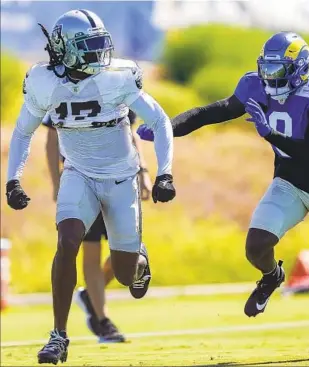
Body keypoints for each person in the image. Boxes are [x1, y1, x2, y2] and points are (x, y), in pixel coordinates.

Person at [137, 31, 309, 358]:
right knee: (256, 244)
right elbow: (214, 111)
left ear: (300, 69)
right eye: (268, 69)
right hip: (290, 182)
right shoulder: (255, 86)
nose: (271, 78)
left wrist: (270, 133)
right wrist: (165, 126)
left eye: (280, 70)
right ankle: (271, 276)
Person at [6, 9, 176, 365]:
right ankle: (58, 336)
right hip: (78, 174)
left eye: (101, 45)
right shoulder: (43, 81)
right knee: (67, 242)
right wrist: (13, 179)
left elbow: (158, 120)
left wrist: (164, 172)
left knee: (127, 275)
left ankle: (138, 261)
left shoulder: (118, 77)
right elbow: (24, 131)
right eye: (89, 47)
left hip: (121, 178)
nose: (100, 54)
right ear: (65, 50)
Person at [44, 109, 152, 343]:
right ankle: (103, 321)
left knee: (125, 254)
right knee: (90, 252)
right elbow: (52, 139)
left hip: (119, 181)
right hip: (82, 181)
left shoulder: (118, 81)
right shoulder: (60, 86)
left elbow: (130, 133)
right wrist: (56, 183)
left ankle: (90, 295)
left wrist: (143, 172)